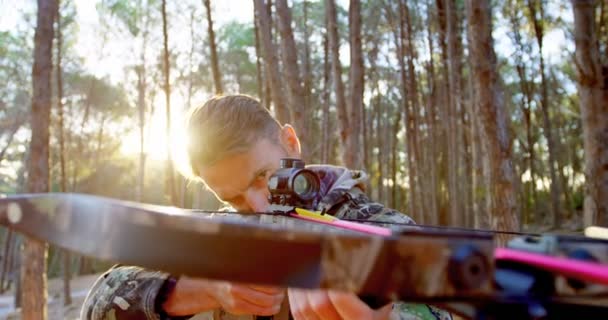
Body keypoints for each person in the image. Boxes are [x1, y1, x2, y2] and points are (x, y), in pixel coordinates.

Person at [80, 94, 452, 320]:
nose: (258, 204)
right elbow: (99, 303)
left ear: (290, 142)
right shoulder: (221, 235)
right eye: (234, 198)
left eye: (263, 176)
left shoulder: (379, 227)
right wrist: (201, 291)